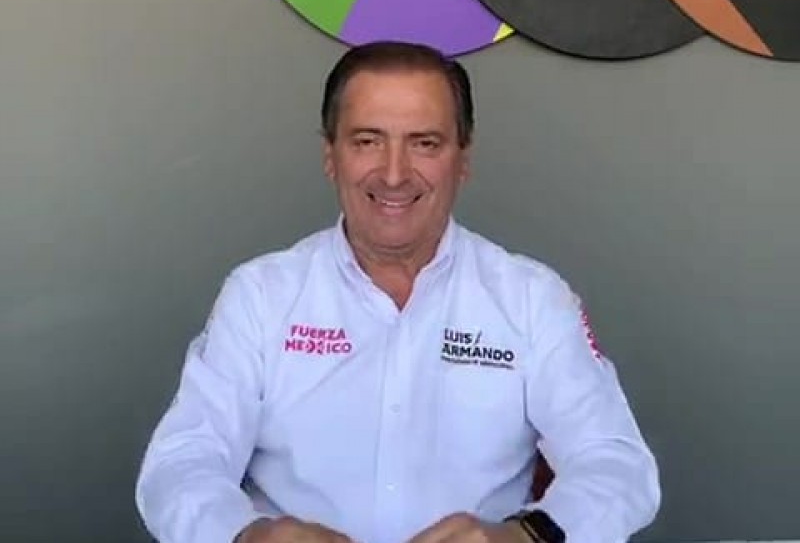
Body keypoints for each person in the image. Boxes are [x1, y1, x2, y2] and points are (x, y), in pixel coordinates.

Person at [135, 41, 660, 543]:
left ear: (463, 159)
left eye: (424, 143)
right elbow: (181, 463)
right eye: (367, 141)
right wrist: (249, 536)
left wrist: (526, 535)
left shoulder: (532, 299)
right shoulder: (259, 296)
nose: (393, 174)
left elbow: (617, 464)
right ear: (330, 155)